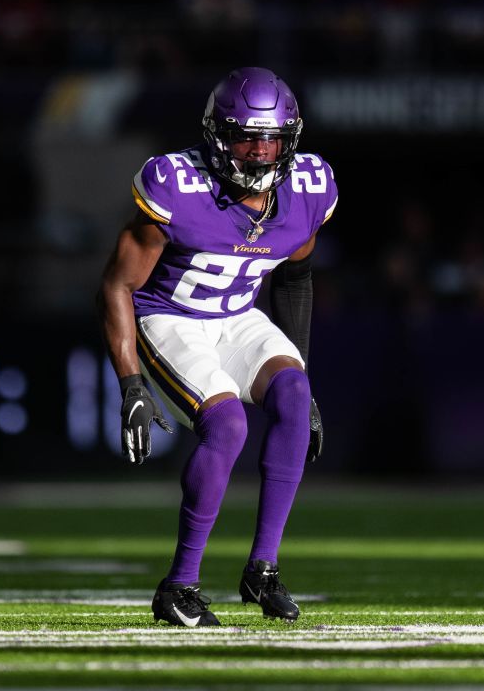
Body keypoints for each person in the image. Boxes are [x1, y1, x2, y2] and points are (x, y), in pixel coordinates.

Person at [98, 67, 336, 627]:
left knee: (295, 394)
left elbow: (296, 278)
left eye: (272, 139)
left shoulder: (308, 189)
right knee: (228, 425)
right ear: (217, 135)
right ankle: (178, 587)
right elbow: (118, 284)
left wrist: (296, 365)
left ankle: (263, 571)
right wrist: (130, 382)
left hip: (237, 316)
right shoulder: (176, 184)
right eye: (247, 138)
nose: (260, 153)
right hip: (169, 316)